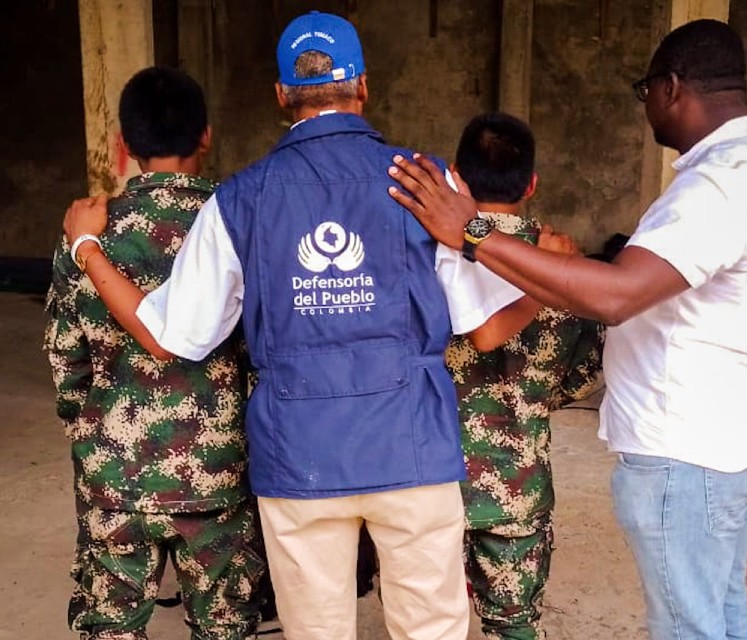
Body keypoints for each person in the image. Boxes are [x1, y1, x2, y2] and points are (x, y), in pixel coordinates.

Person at [60, 11, 528, 640]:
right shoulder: (427, 181)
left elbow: (170, 337)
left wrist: (88, 247)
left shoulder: (239, 199)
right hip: (411, 446)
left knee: (316, 630)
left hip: (299, 455)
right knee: (431, 630)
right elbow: (484, 327)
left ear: (281, 95)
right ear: (362, 85)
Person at [388, 19, 747, 640]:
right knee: (718, 609)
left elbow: (615, 298)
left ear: (671, 88)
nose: (645, 109)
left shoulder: (719, 185)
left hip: (692, 449)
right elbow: (583, 351)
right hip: (734, 436)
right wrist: (559, 269)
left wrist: (472, 233)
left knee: (689, 624)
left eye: (645, 93)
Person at [44, 66, 265, 640]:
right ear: (206, 136)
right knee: (225, 629)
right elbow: (266, 351)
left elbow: (67, 363)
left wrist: (93, 436)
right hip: (218, 473)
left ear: (124, 145)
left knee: (111, 628)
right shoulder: (239, 224)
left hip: (114, 476)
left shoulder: (86, 231)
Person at [448, 112, 603, 640]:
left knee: (423, 623)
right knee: (514, 627)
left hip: (429, 482)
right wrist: (531, 398)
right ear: (532, 184)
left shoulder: (429, 252)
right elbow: (582, 374)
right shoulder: (563, 262)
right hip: (518, 482)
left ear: (456, 177)